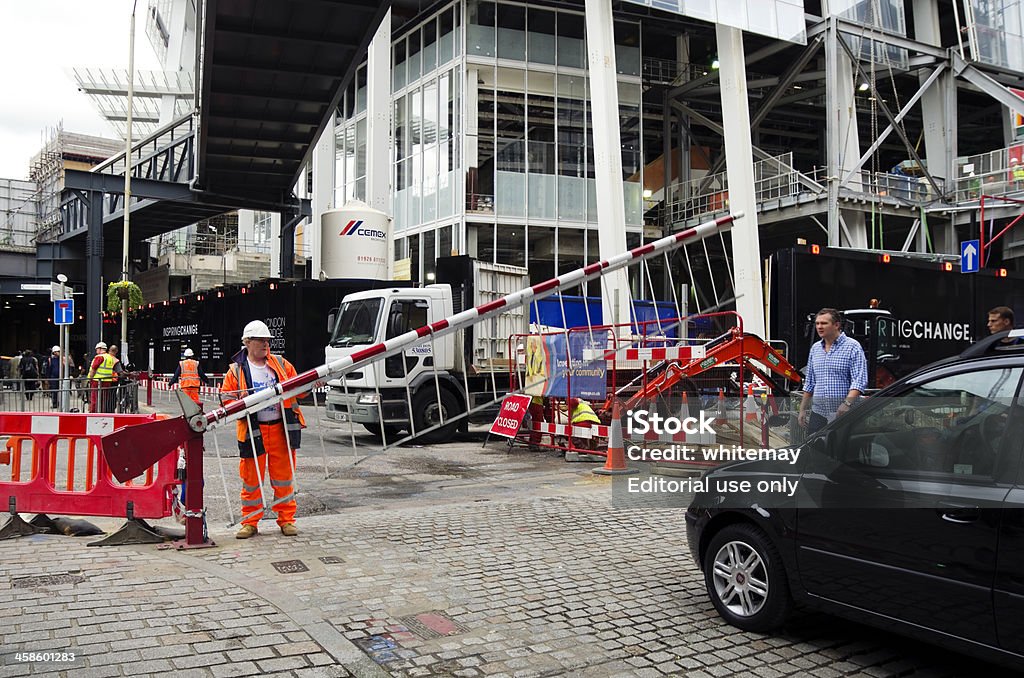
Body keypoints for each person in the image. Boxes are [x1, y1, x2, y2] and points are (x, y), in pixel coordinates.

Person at [221, 320, 306, 539]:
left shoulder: (280, 363)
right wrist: (240, 403)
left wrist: (311, 384)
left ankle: (286, 520)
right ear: (247, 342)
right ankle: (250, 522)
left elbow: (299, 388)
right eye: (261, 340)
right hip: (252, 431)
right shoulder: (236, 370)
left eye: (268, 340)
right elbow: (226, 398)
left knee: (284, 478)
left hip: (281, 429)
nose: (265, 344)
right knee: (251, 479)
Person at [798, 308, 868, 435]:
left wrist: (846, 404)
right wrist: (802, 409)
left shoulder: (852, 347)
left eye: (824, 323)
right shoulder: (815, 349)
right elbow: (810, 382)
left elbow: (859, 380)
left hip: (845, 414)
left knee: (843, 453)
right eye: (817, 323)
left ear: (836, 325)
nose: (819, 327)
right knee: (815, 452)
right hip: (818, 413)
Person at [86, 341, 119, 412]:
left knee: (94, 398)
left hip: (97, 381)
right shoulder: (110, 357)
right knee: (103, 399)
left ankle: (94, 413)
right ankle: (102, 412)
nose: (96, 350)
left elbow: (93, 369)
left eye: (97, 349)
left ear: (100, 349)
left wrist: (90, 378)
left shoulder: (99, 357)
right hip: (107, 381)